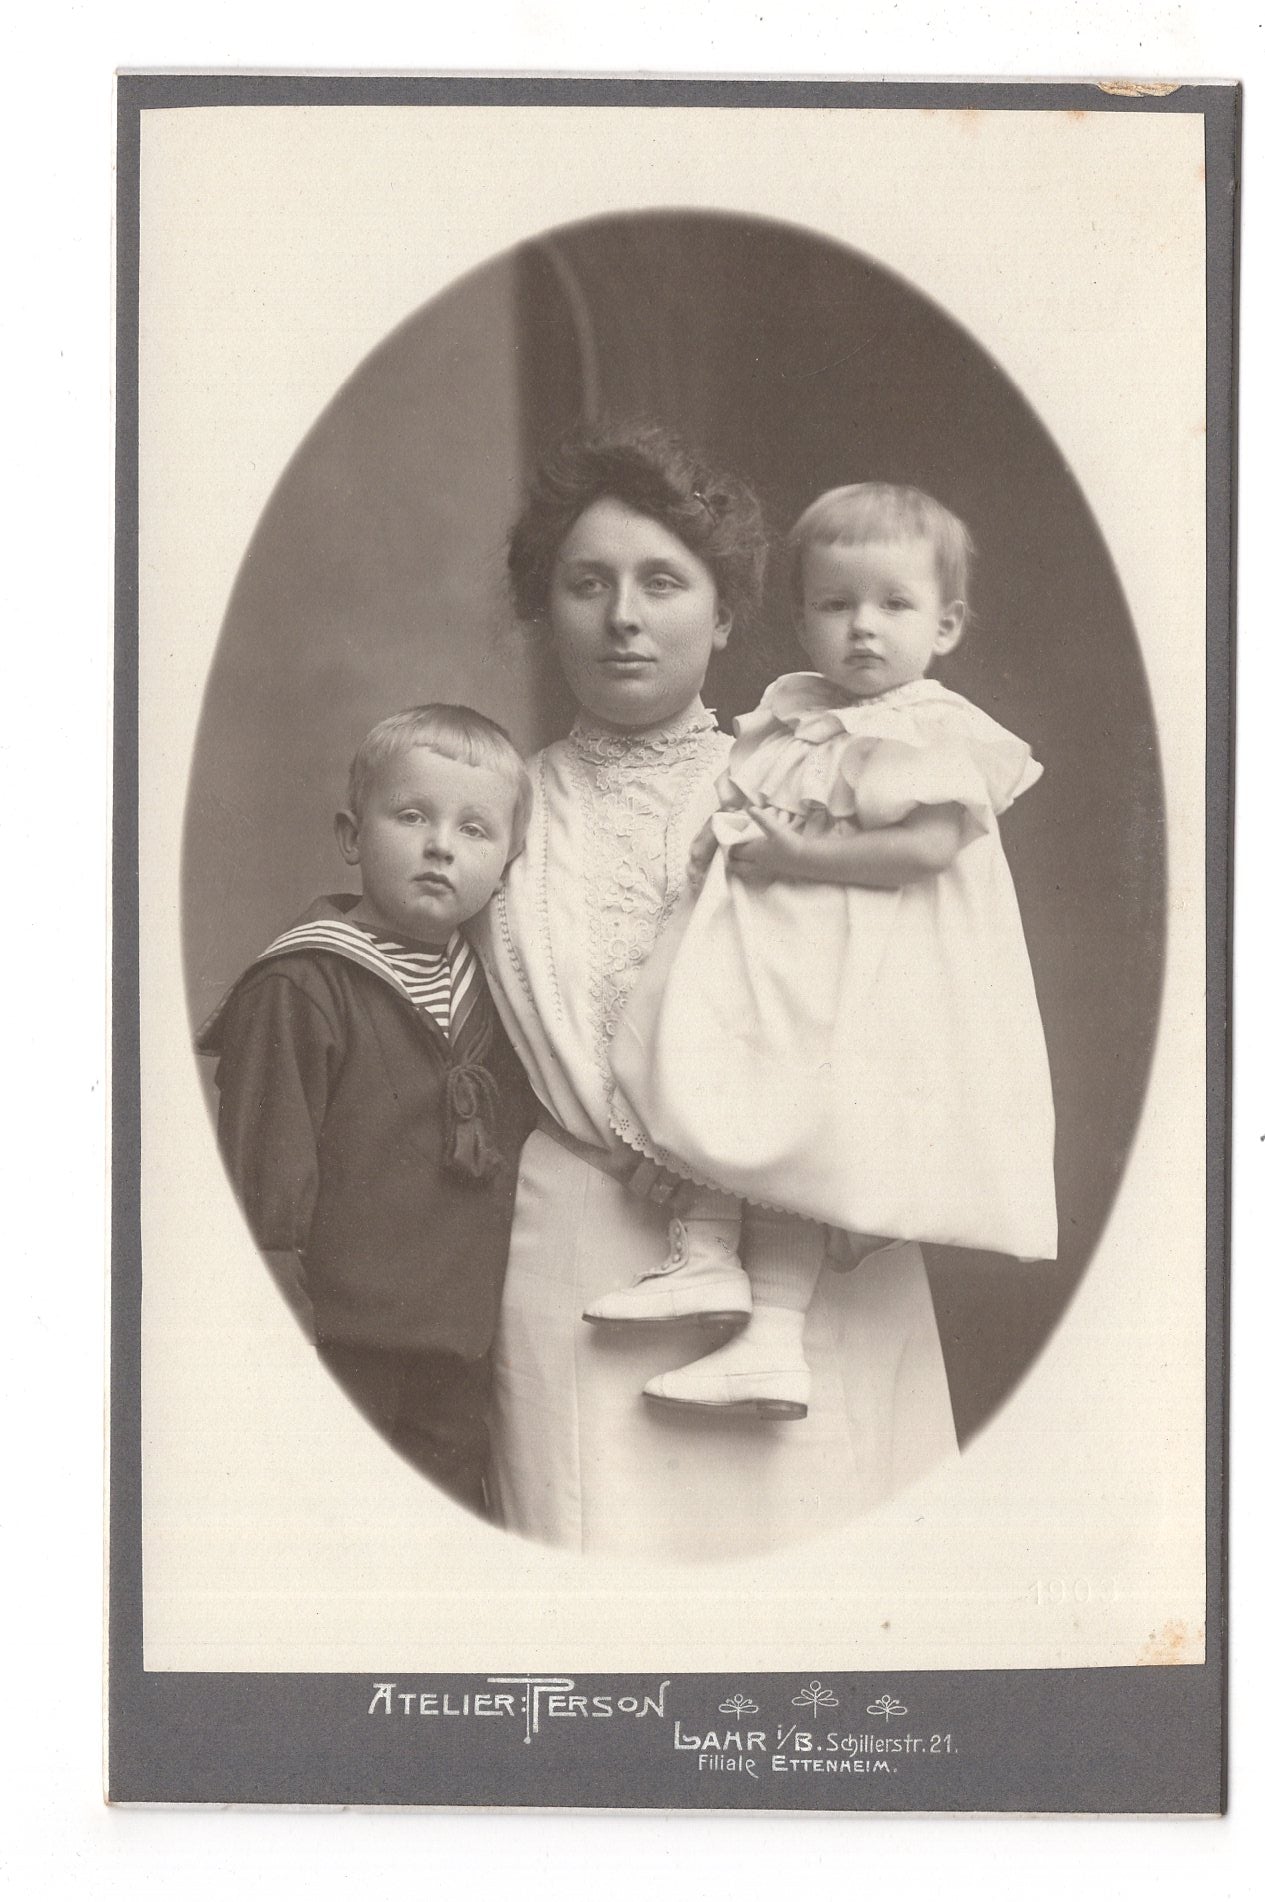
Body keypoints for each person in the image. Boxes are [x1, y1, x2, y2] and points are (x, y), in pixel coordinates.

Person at [470, 429, 959, 1559]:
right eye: (585, 584)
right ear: (546, 610)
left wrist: (842, 1172)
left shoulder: (809, 784)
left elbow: (917, 991)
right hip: (583, 1240)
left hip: (801, 1223)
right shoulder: (497, 806)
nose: (621, 618)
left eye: (661, 583)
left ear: (727, 614)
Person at [603, 483, 1058, 1418]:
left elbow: (927, 849)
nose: (862, 629)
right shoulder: (793, 713)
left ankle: (771, 1336)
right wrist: (719, 835)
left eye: (894, 605)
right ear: (802, 618)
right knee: (710, 1065)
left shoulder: (926, 726)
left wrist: (800, 852)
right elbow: (752, 800)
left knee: (803, 1131)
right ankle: (708, 1257)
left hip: (871, 979)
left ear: (947, 623)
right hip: (790, 959)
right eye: (835, 604)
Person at [198, 704, 539, 1514]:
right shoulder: (305, 986)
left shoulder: (501, 994)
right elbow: (261, 1192)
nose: (440, 845)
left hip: (458, 1353)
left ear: (507, 865)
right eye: (412, 815)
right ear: (353, 836)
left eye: (475, 829)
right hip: (336, 1351)